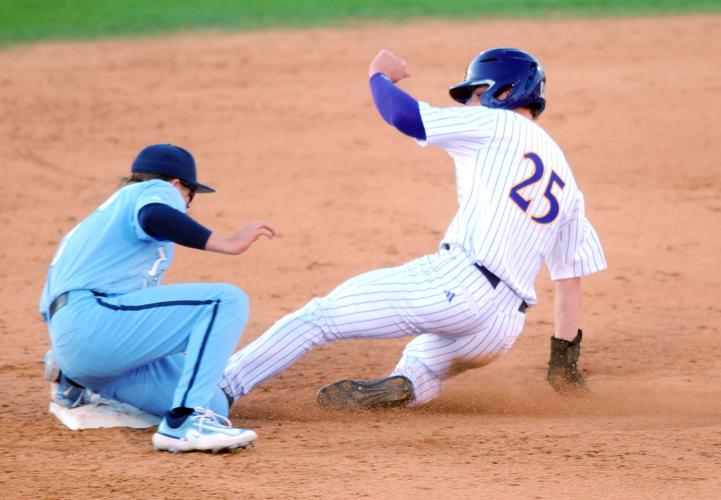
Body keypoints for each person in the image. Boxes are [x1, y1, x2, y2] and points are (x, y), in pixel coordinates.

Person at [221, 48, 606, 410]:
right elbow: (570, 278)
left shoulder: (495, 122)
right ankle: (407, 384)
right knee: (422, 360)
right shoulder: (568, 184)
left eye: (476, 93)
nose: (469, 103)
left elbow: (406, 117)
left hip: (458, 286)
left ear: (506, 92)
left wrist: (379, 76)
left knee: (319, 318)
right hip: (499, 330)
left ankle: (221, 388)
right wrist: (563, 367)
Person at [40, 144, 276, 451]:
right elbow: (156, 214)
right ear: (179, 185)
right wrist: (228, 243)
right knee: (225, 301)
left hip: (87, 349)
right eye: (191, 195)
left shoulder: (99, 228)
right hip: (94, 322)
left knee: (215, 405)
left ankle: (72, 379)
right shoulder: (153, 190)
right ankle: (184, 422)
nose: (188, 206)